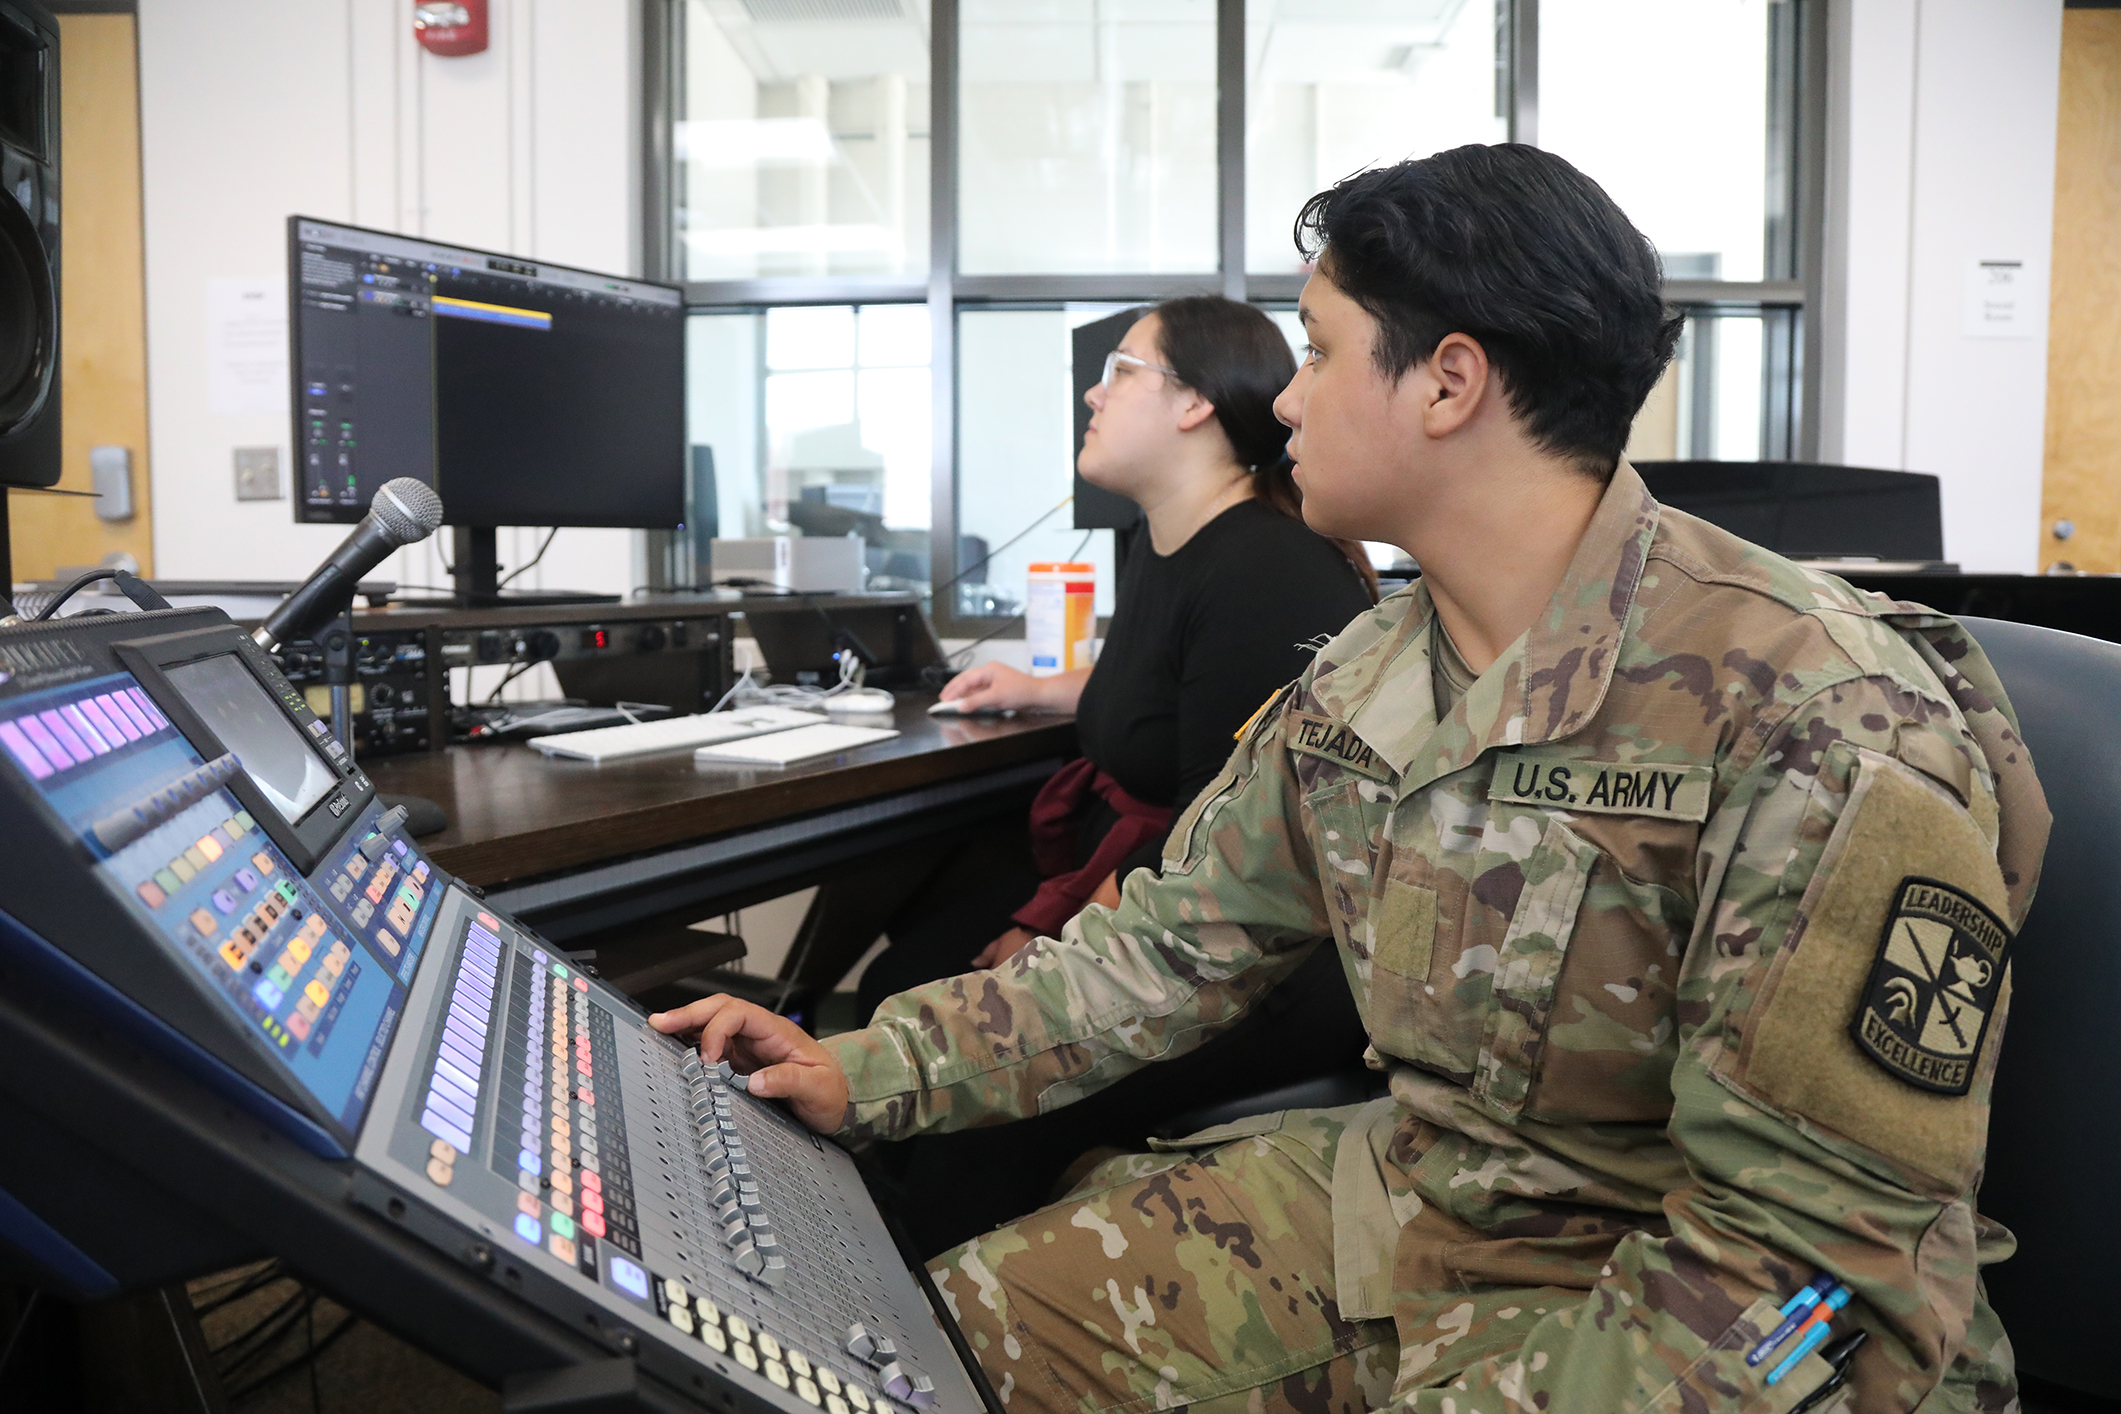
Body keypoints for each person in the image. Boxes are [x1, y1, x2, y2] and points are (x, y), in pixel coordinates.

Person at [652, 144, 2049, 1414]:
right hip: (1423, 1208)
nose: (1287, 398)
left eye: (1318, 351)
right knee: (909, 1357)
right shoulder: (1368, 676)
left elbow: (1816, 1269)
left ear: (1448, 382)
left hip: (1720, 1310)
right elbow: (1161, 954)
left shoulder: (1817, 714)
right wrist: (864, 1065)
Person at [847, 296, 1378, 1253]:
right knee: (898, 975)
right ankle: (863, 1237)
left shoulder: (1263, 569)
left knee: (976, 1113)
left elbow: (1217, 844)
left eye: (1122, 371)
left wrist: (1047, 938)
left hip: (1254, 955)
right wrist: (1041, 687)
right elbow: (1172, 682)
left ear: (1195, 405)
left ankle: (922, 1287)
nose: (1093, 394)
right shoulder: (1165, 540)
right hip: (1158, 892)